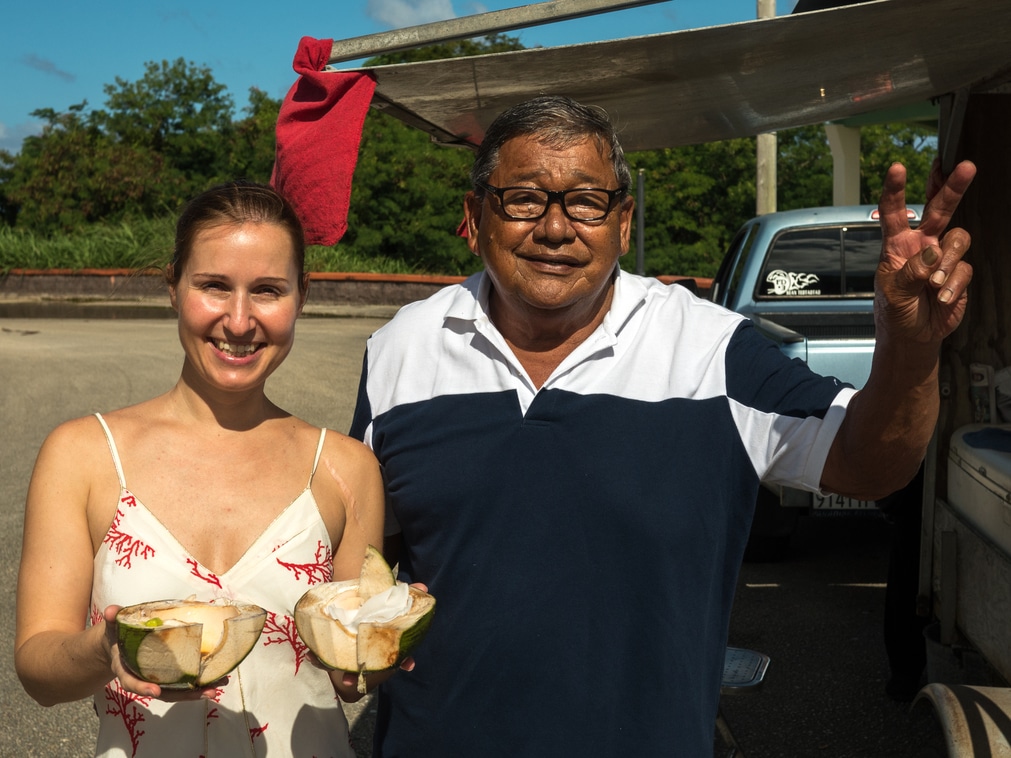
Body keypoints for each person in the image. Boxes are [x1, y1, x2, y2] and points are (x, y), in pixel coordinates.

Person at [349, 95, 977, 756]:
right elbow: (365, 561)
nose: (556, 228)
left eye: (587, 201)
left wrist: (907, 350)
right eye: (523, 199)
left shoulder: (710, 351)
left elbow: (871, 465)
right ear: (474, 217)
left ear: (622, 224)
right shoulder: (402, 348)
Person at [15, 182, 385, 757]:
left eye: (267, 290)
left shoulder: (345, 468)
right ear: (173, 286)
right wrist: (103, 651)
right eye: (214, 286)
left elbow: (351, 663)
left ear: (302, 296)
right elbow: (38, 667)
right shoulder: (83, 454)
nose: (239, 322)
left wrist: (370, 656)